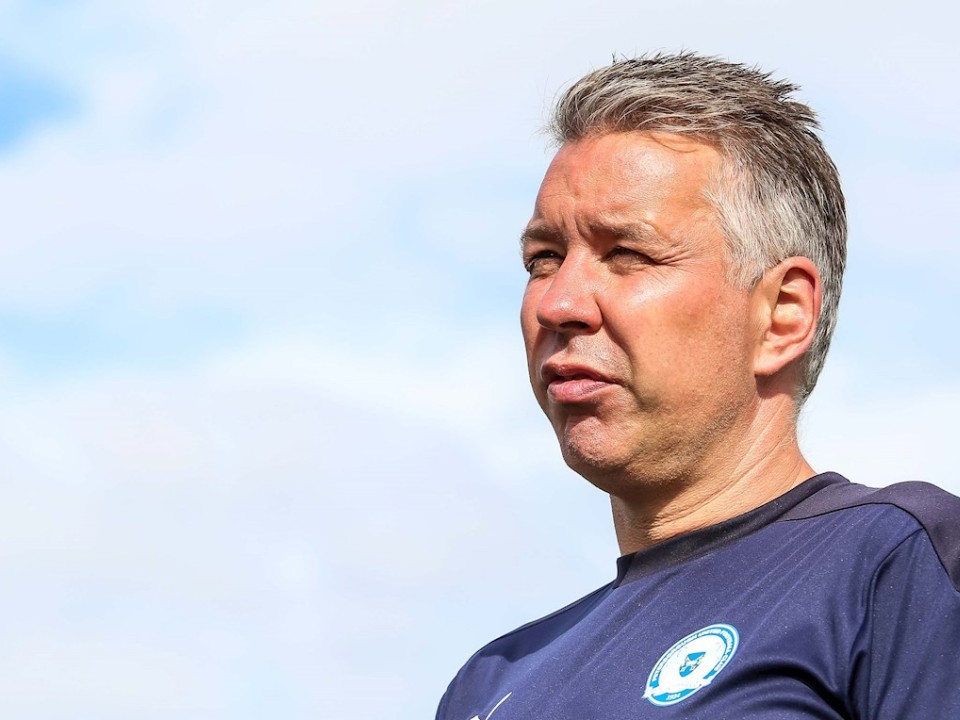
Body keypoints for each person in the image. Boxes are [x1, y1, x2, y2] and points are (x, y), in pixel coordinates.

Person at [435, 52, 960, 720]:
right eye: (544, 259)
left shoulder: (894, 562)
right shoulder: (491, 682)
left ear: (782, 314)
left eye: (628, 254)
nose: (559, 304)